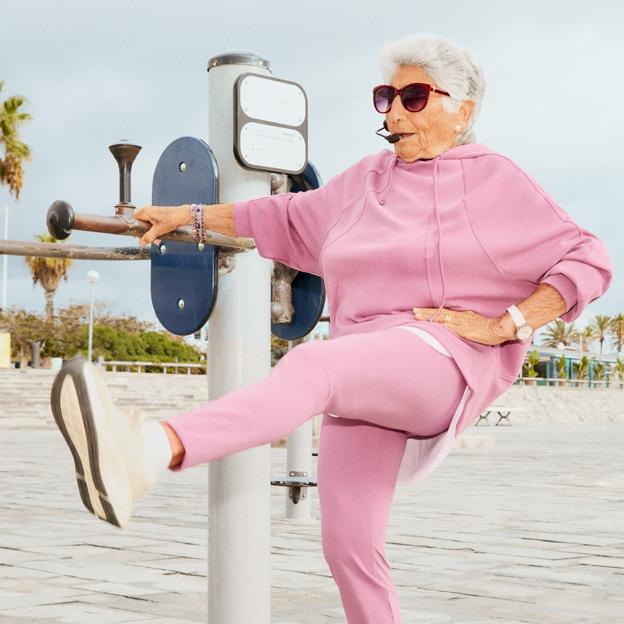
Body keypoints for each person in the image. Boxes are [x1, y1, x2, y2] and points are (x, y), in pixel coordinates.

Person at [50, 33, 613, 624]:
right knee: (348, 547)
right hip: (362, 372)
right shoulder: (366, 182)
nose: (394, 111)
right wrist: (184, 218)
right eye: (386, 96)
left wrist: (509, 324)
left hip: (441, 360)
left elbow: (588, 258)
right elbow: (275, 215)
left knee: (314, 366)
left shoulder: (493, 178)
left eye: (414, 96)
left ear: (463, 110)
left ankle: (146, 451)